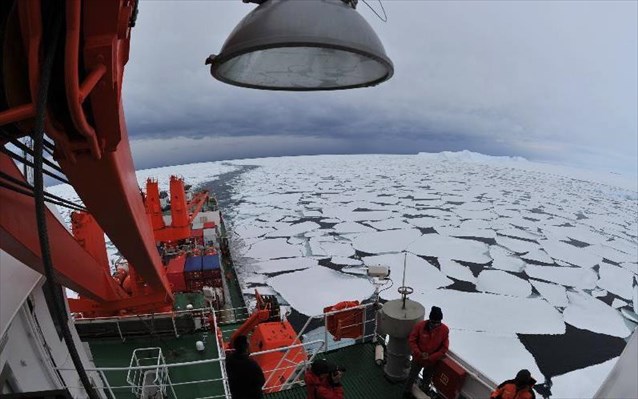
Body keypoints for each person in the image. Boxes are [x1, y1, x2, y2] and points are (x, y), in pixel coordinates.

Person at [403, 306, 449, 399]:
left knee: (427, 379)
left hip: (431, 361)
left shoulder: (444, 330)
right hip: (418, 358)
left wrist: (431, 357)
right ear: (430, 319)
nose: (436, 325)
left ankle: (422, 393)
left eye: (438, 322)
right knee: (412, 376)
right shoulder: (420, 326)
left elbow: (444, 348)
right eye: (434, 322)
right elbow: (412, 340)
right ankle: (406, 393)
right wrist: (419, 353)